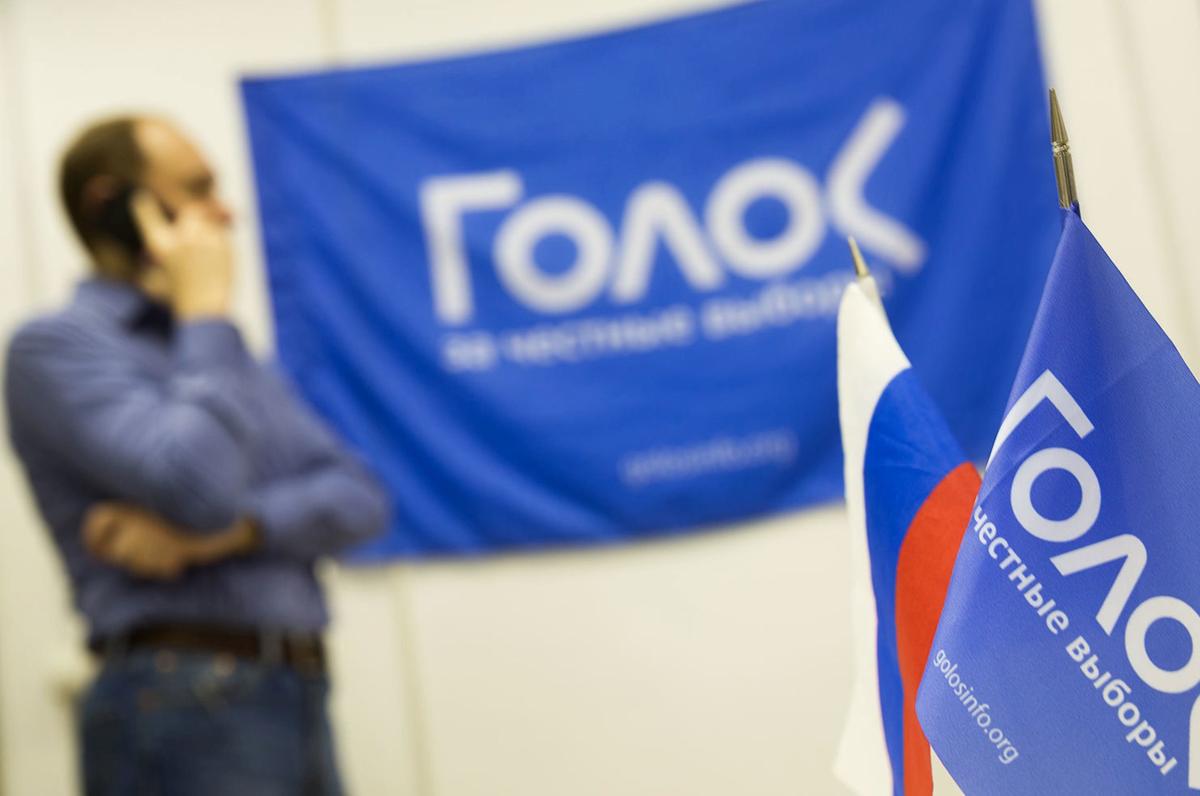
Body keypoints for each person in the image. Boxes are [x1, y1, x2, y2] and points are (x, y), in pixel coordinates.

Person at [4, 115, 390, 795]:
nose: (224, 212)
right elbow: (196, 490)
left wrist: (230, 536)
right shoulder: (58, 347)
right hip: (178, 698)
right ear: (113, 205)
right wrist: (205, 311)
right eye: (197, 189)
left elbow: (359, 498)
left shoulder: (220, 352)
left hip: (295, 693)